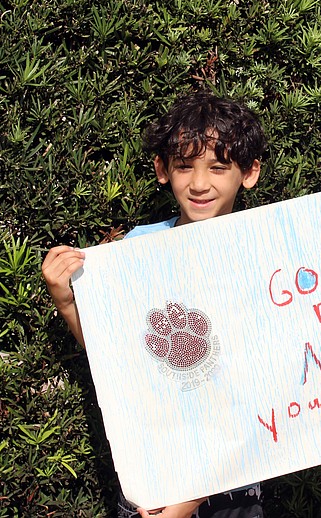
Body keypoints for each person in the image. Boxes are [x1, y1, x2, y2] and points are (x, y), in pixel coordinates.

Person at [42, 92, 267, 518]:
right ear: (163, 169)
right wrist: (68, 302)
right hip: (152, 478)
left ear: (249, 172)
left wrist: (191, 497)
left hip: (232, 482)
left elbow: (265, 388)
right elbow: (118, 362)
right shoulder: (138, 248)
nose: (199, 183)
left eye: (218, 167)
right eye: (184, 166)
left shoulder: (263, 254)